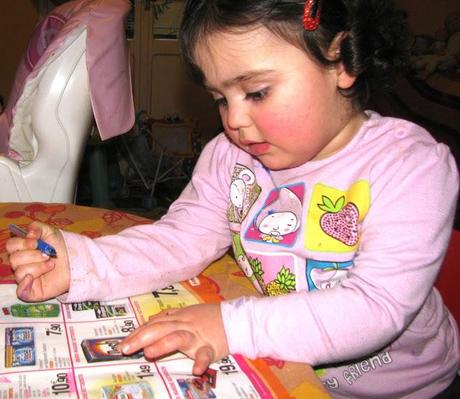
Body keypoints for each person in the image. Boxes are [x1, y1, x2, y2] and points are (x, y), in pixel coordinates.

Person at [7, 0, 460, 397]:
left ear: (340, 62)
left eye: (256, 92)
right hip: (279, 366)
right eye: (221, 98)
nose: (235, 120)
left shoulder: (411, 166)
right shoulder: (230, 157)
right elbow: (181, 238)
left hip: (405, 388)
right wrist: (84, 264)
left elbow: (374, 308)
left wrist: (228, 324)